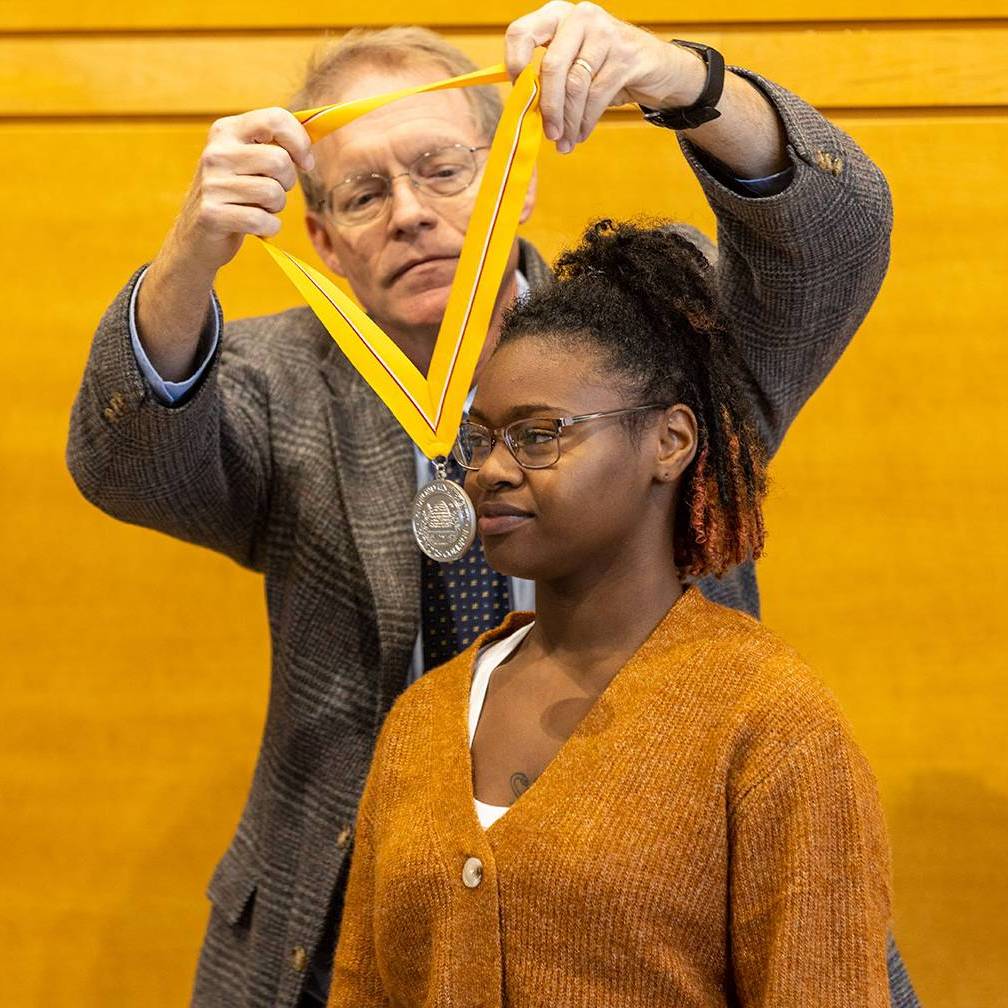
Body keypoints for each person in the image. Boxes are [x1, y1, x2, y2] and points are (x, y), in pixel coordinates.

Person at [65, 5, 916, 1006]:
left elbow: (837, 237)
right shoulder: (272, 382)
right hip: (357, 914)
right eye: (363, 192)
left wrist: (681, 79)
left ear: (515, 175)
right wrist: (189, 259)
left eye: (441, 169)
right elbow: (123, 460)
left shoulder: (655, 336)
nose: (411, 213)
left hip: (655, 904)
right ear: (322, 239)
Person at [329, 218, 893, 1006]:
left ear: (669, 441)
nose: (489, 471)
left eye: (537, 435)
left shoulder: (768, 720)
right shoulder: (424, 718)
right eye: (479, 439)